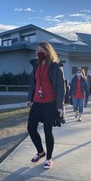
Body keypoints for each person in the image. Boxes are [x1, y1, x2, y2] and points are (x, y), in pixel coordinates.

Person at [26, 41, 65, 169]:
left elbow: (60, 87)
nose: (38, 53)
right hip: (37, 102)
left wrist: (60, 106)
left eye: (41, 51)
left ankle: (49, 158)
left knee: (48, 131)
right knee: (31, 128)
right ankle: (41, 152)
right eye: (37, 51)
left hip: (50, 103)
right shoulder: (35, 66)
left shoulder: (55, 67)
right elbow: (33, 84)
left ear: (48, 52)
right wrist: (30, 99)